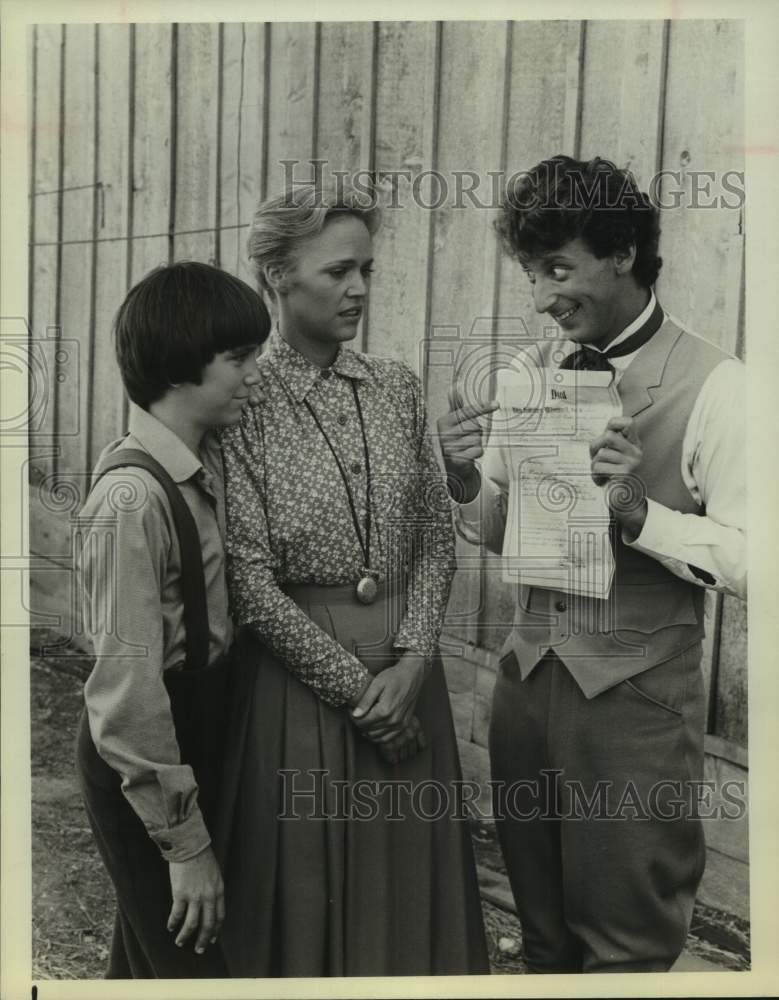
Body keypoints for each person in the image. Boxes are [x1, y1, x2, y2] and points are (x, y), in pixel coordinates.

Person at [437, 155, 746, 973]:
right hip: (525, 686)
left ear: (620, 254)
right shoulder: (526, 374)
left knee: (625, 948)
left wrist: (638, 512)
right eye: (532, 273)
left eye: (557, 269)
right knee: (542, 937)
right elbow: (501, 533)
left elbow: (754, 561)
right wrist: (463, 478)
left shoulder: (721, 387)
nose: (540, 297)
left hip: (633, 707)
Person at [217, 182, 489, 977]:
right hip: (302, 688)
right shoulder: (243, 399)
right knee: (308, 892)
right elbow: (248, 580)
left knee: (408, 901)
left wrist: (411, 664)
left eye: (366, 269)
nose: (359, 289)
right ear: (276, 276)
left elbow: (435, 535)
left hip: (410, 678)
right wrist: (358, 689)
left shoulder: (396, 386)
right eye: (337, 272)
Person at [74, 261, 270, 978]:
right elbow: (127, 695)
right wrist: (185, 847)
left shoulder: (205, 461)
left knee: (146, 960)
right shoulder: (131, 500)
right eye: (240, 358)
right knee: (192, 963)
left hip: (201, 733)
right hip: (146, 760)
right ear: (182, 368)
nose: (257, 372)